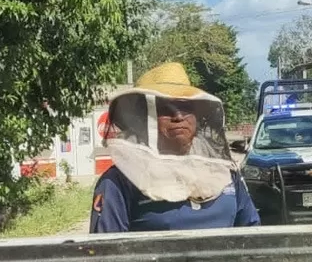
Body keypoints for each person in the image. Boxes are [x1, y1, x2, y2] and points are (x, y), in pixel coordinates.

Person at [89, 62, 260, 232]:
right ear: (141, 118)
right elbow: (106, 253)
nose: (178, 116)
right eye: (164, 108)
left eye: (186, 107)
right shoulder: (118, 181)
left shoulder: (224, 171)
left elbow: (253, 234)